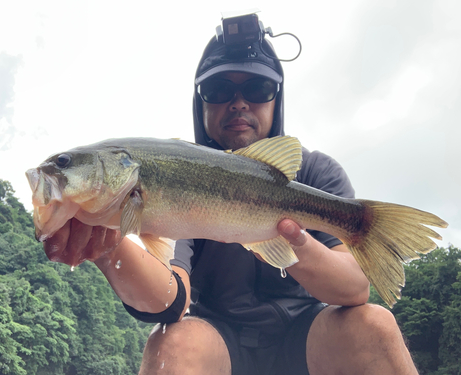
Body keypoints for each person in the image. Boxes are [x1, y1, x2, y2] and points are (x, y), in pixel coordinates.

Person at [44, 24, 419, 375]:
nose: (238, 103)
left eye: (257, 89)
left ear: (277, 99)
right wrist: (109, 248)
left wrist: (294, 240)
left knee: (374, 324)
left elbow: (354, 289)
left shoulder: (318, 171)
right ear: (201, 103)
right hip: (217, 341)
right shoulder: (177, 176)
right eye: (219, 90)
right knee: (169, 344)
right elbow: (170, 300)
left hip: (310, 335)